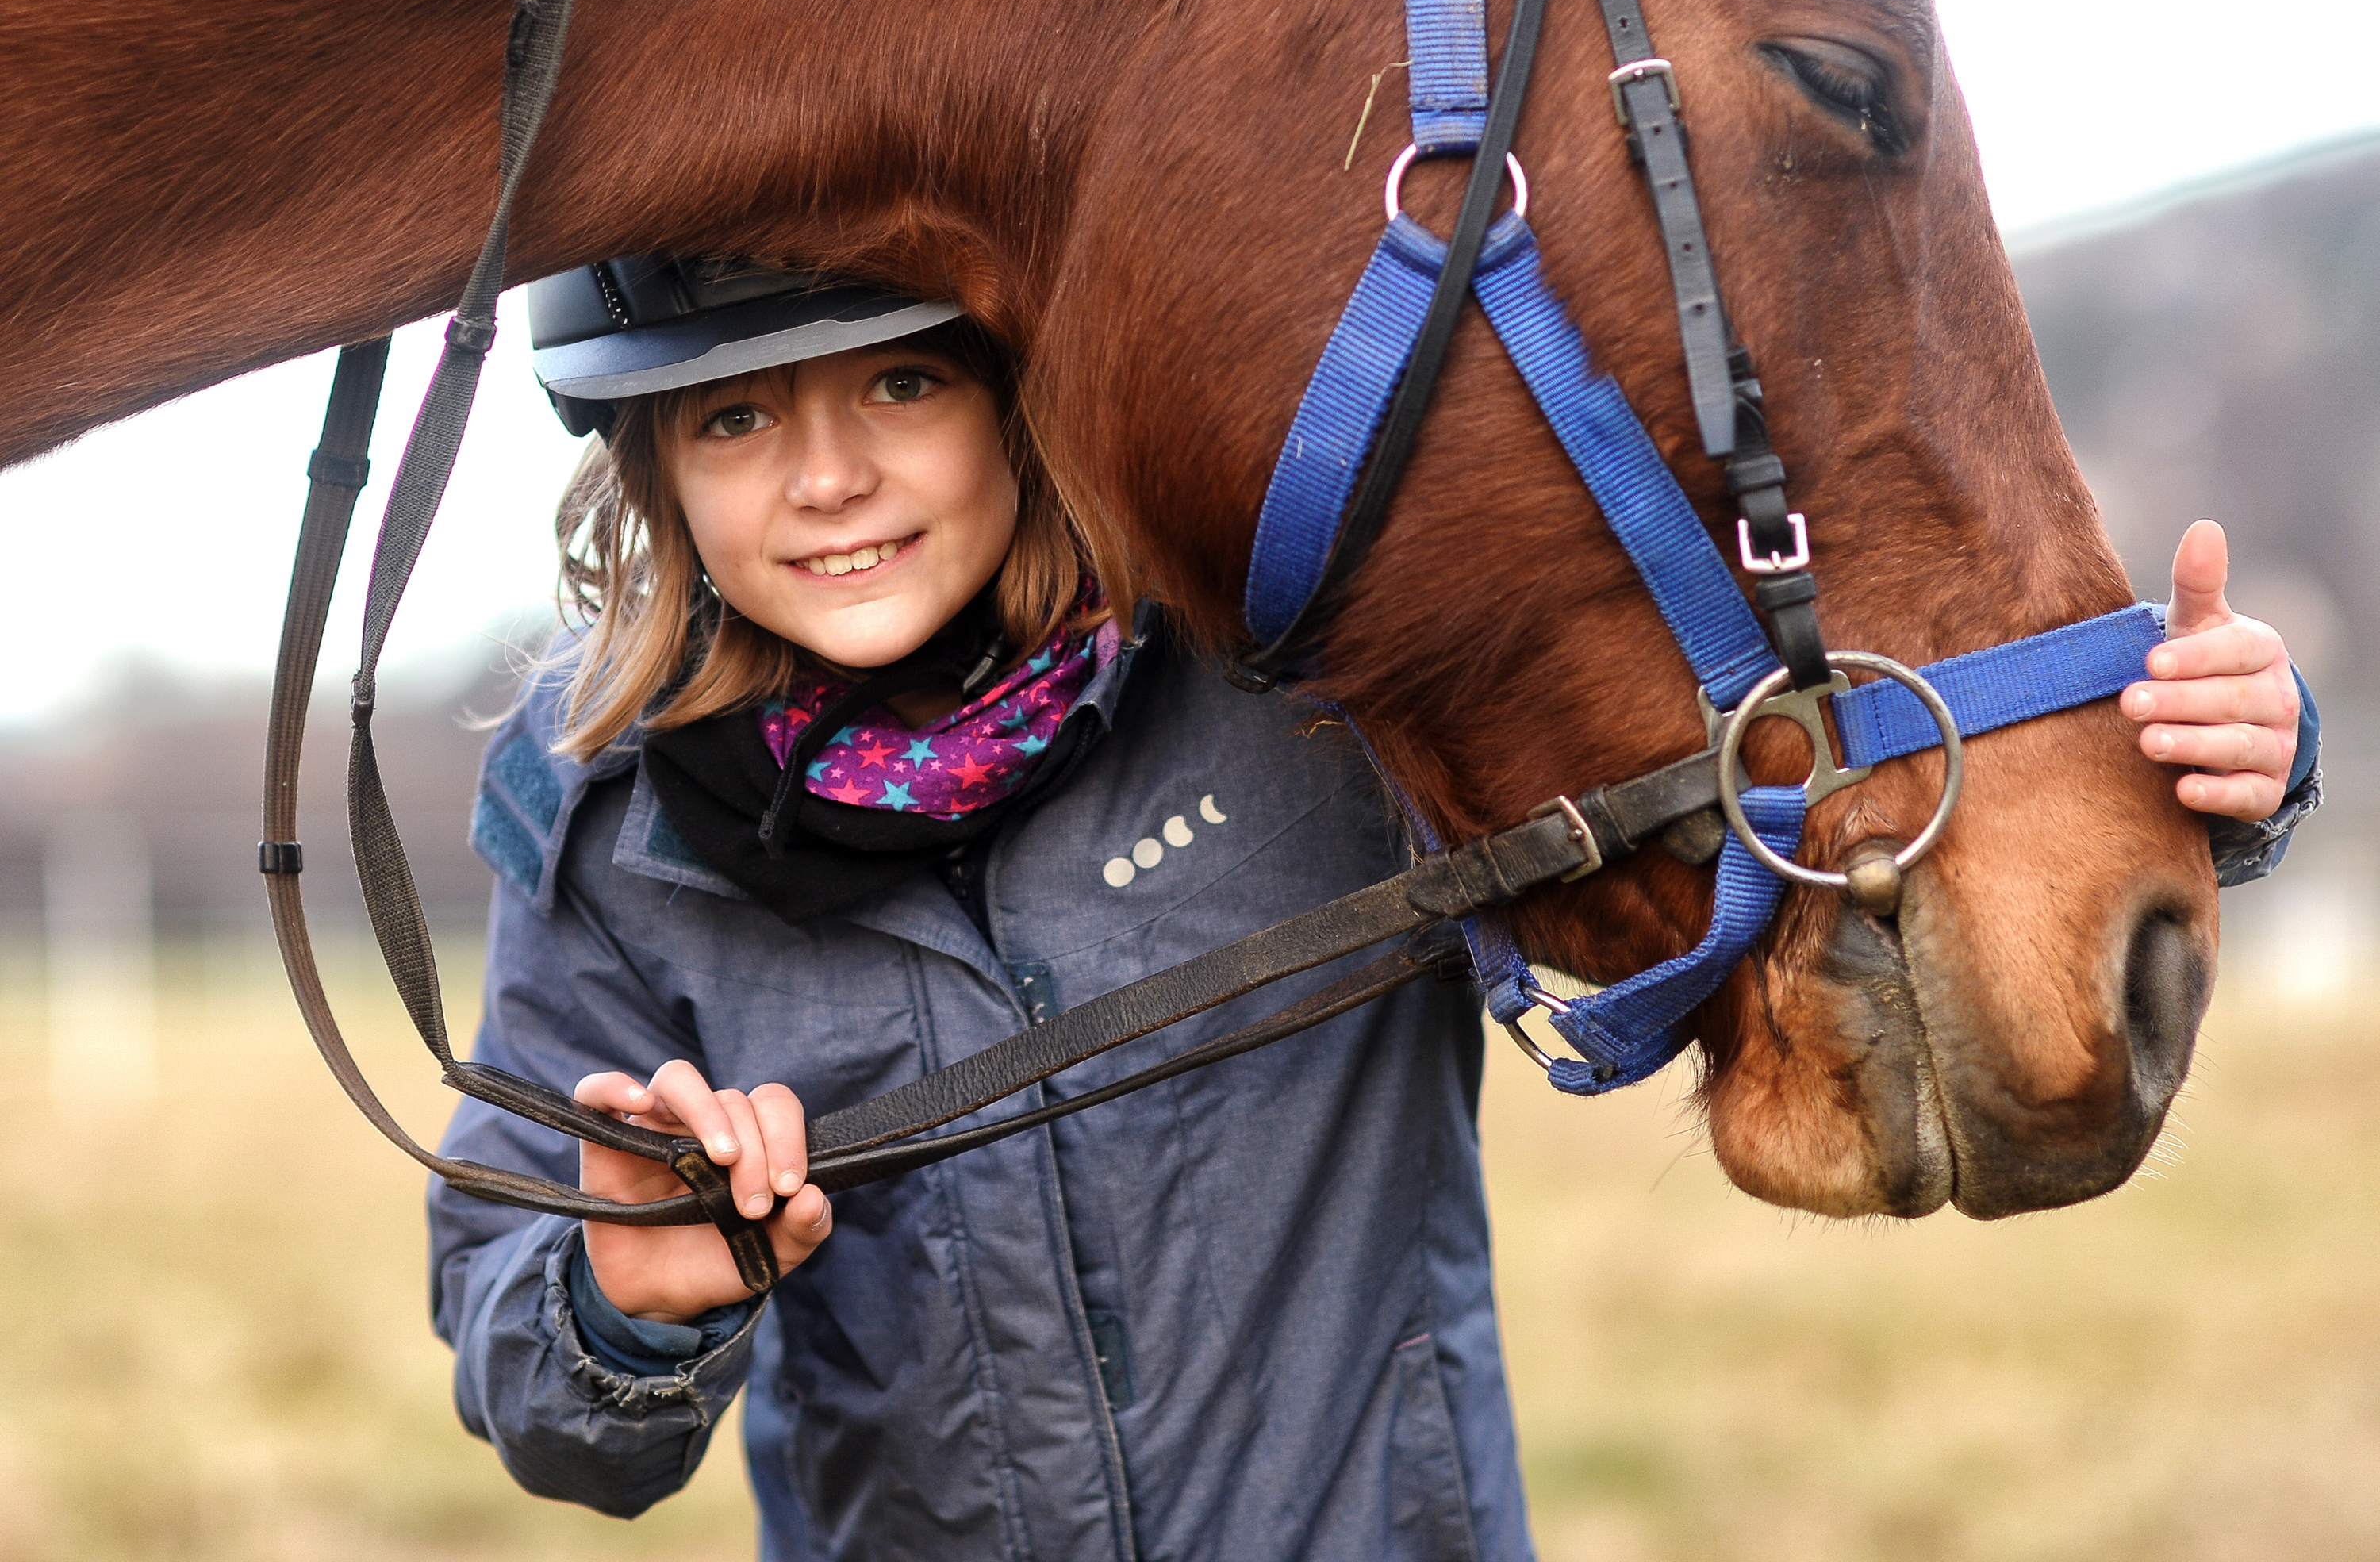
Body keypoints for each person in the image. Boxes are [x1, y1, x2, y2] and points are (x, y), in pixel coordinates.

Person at [432, 256, 2320, 1560]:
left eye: (903, 382)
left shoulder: (1297, 695)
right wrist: (623, 1302)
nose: (831, 475)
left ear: (1023, 395)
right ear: (653, 469)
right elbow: (546, 1406)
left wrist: (2207, 774)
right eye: (739, 418)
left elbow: (1756, 824)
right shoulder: (609, 840)